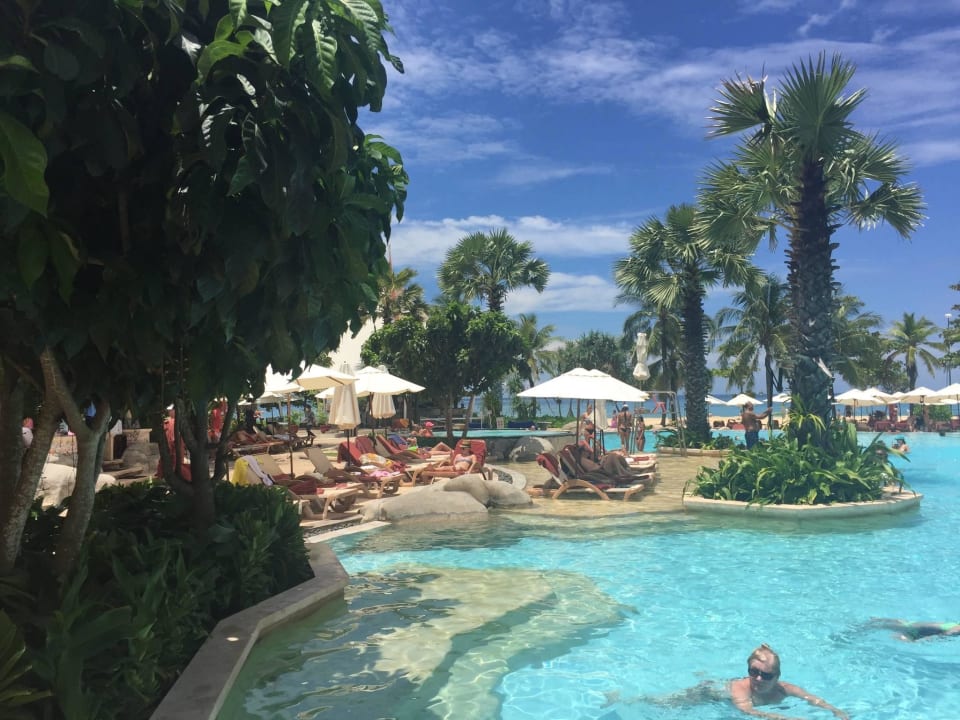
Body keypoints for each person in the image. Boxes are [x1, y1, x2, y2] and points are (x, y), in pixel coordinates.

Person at [866, 618, 960, 641]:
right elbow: (940, 636)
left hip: (915, 626)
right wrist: (918, 642)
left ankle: (877, 619)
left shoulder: (957, 625)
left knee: (900, 623)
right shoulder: (957, 629)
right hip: (914, 631)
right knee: (880, 626)